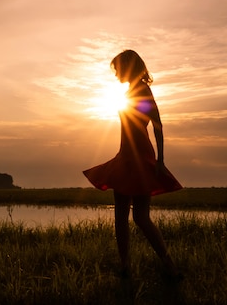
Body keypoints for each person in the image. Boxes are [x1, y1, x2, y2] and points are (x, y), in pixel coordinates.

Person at [83, 49, 183, 280]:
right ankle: (126, 267)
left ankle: (168, 265)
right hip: (126, 155)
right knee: (122, 216)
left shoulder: (142, 91)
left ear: (128, 67)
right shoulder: (131, 91)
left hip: (139, 157)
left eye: (118, 68)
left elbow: (157, 125)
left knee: (139, 216)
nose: (116, 73)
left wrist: (160, 159)